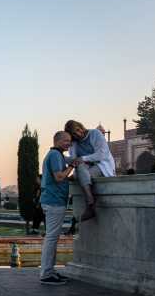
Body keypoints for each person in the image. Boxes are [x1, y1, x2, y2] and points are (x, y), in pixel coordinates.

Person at [39, 131, 77, 285]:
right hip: (54, 201)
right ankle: (46, 273)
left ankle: (50, 271)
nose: (69, 143)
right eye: (66, 141)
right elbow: (59, 177)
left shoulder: (56, 155)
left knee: (52, 238)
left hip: (53, 200)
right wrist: (72, 167)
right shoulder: (55, 155)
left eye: (70, 141)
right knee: (51, 238)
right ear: (58, 141)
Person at [64, 119, 116, 221]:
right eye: (74, 134)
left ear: (80, 126)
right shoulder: (75, 143)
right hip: (85, 168)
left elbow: (102, 155)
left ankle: (89, 202)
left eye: (78, 130)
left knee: (79, 173)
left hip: (102, 166)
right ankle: (90, 200)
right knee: (80, 168)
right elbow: (74, 160)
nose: (78, 134)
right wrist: (60, 155)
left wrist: (83, 158)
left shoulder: (95, 134)